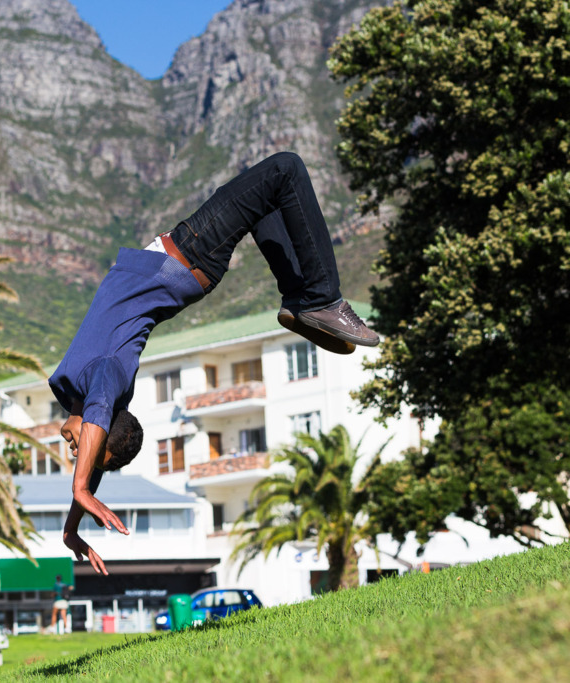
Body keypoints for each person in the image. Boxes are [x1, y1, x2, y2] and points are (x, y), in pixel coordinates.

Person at [49, 152, 379, 576]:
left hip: (189, 261)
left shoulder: (83, 391)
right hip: (188, 253)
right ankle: (320, 299)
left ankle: (300, 298)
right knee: (286, 169)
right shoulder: (106, 378)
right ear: (105, 420)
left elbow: (95, 441)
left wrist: (70, 528)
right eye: (83, 451)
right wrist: (81, 489)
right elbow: (95, 426)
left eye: (80, 454)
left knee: (270, 198)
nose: (75, 450)